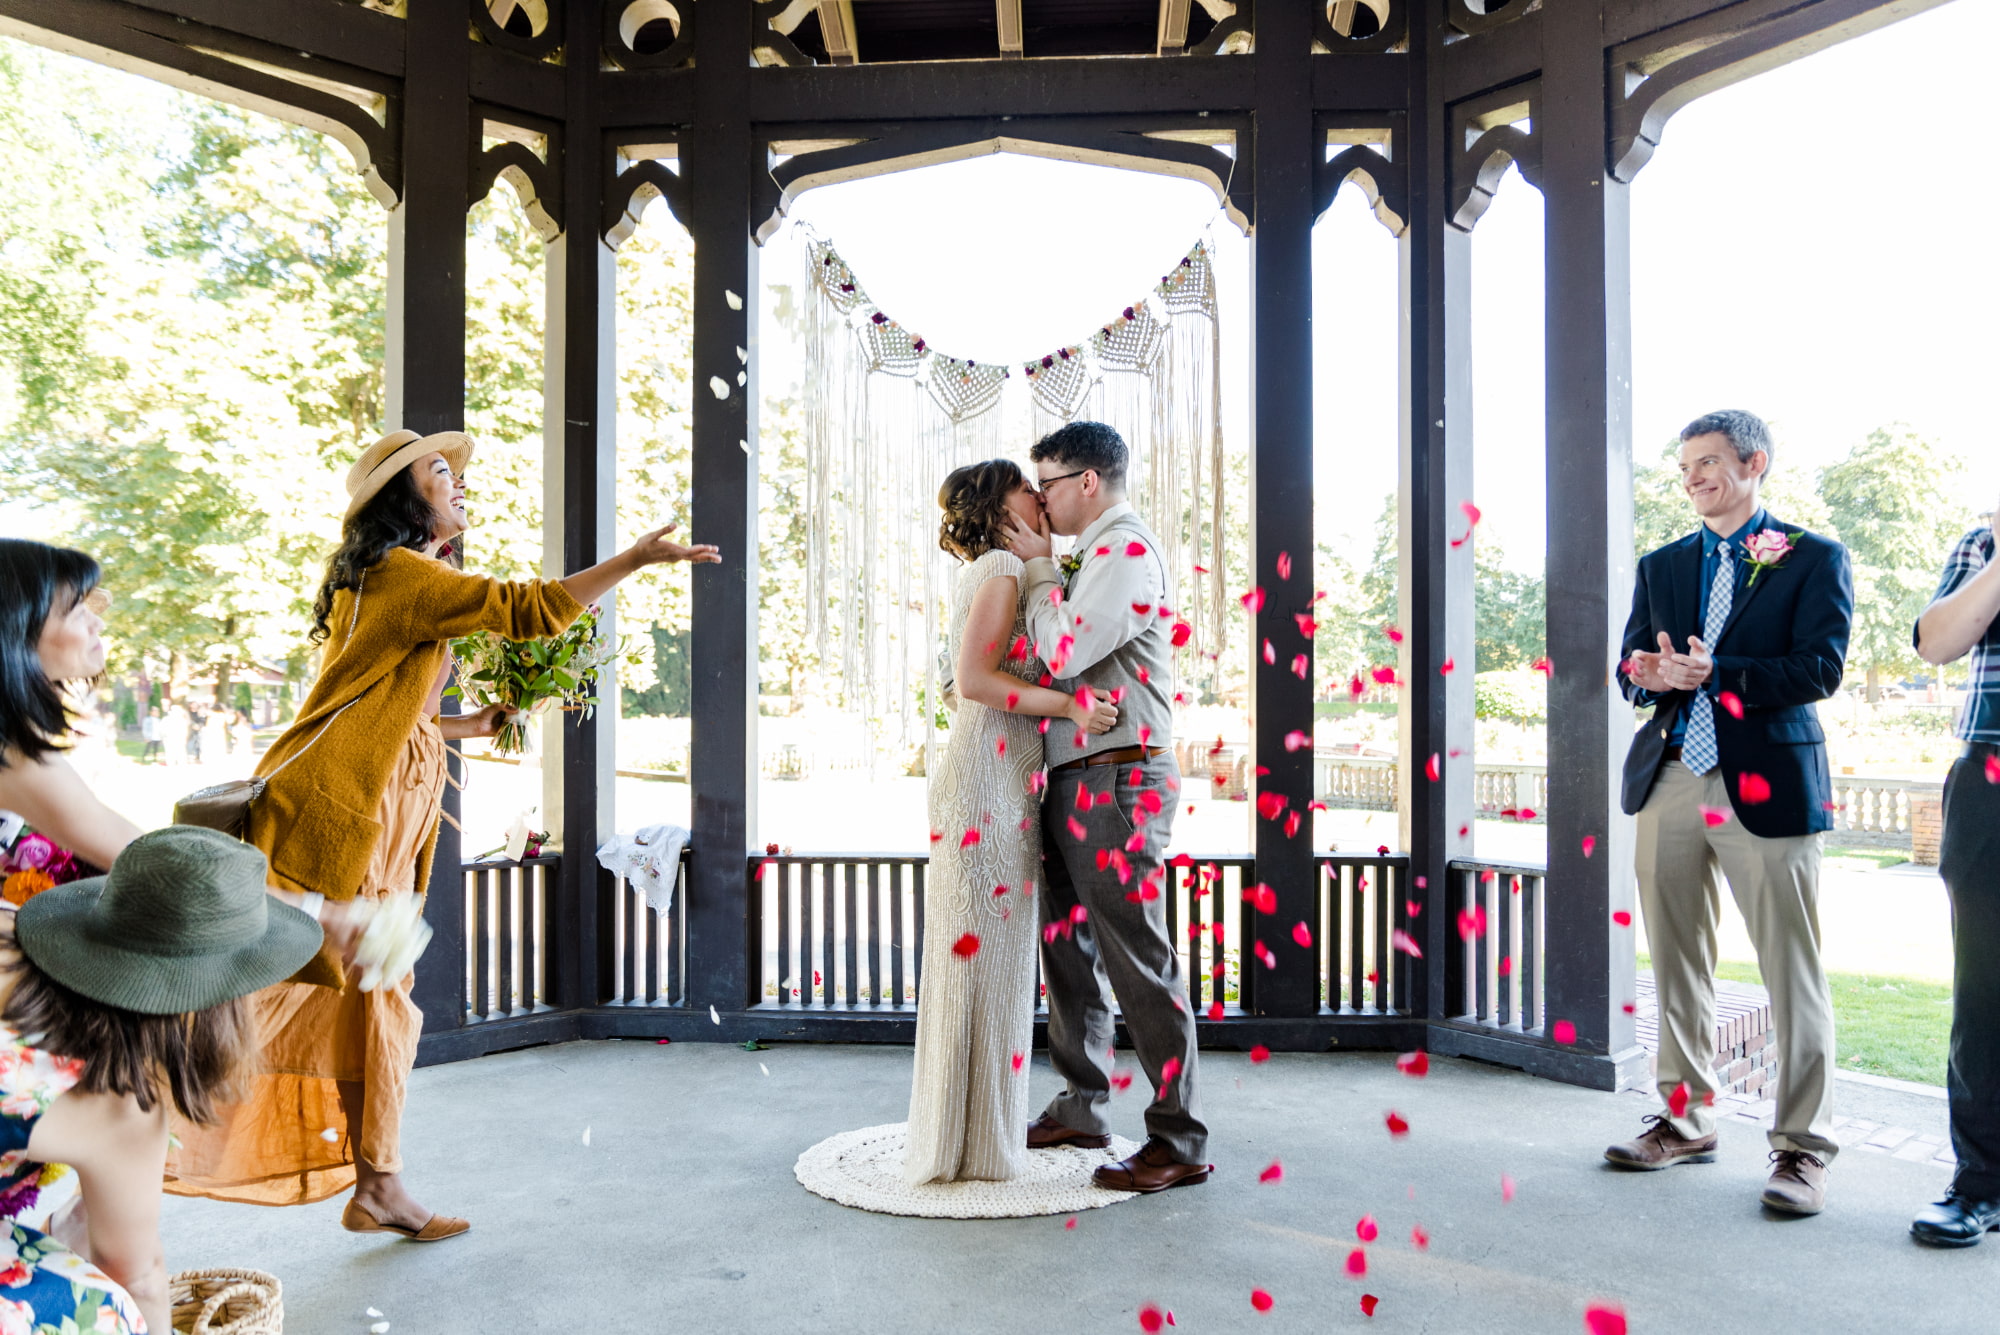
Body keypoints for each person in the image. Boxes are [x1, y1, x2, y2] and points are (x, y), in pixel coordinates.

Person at [165, 428, 719, 1241]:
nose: (458, 481)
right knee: (291, 985)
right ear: (404, 497)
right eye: (439, 471)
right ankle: (128, 1112)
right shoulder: (403, 572)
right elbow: (529, 610)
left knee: (371, 991)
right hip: (349, 810)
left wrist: (468, 722)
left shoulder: (386, 578)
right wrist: (633, 560)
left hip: (375, 804)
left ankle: (377, 1182)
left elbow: (391, 710)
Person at [1608, 409, 1853, 1216]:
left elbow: (1820, 666)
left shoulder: (1813, 556)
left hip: (1770, 782)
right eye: (1685, 468)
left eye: (1709, 463)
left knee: (1792, 966)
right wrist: (1648, 674)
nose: (1693, 479)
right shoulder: (1663, 562)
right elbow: (1632, 665)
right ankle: (1683, 1118)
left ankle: (1802, 1148)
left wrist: (1722, 671)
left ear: (1755, 463)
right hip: (1674, 773)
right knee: (1674, 957)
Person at [0, 823, 324, 1335]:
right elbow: (140, 1276)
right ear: (221, 1003)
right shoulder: (116, 1105)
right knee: (110, 1312)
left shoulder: (7, 929)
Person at [1003, 420, 1208, 1194]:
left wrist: (1037, 573)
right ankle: (1083, 1103)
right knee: (1068, 949)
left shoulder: (1123, 550)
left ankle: (1179, 1137)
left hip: (1118, 775)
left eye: (1047, 483)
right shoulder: (1095, 554)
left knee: (1135, 953)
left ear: (1087, 480)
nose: (1041, 501)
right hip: (1077, 772)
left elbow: (1063, 652)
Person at [901, 460, 1117, 1186]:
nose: (1039, 492)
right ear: (999, 504)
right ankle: (972, 1141)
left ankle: (969, 1132)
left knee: (990, 962)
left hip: (1002, 778)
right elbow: (975, 681)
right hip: (986, 783)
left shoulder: (1007, 567)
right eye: (1026, 484)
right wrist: (1069, 706)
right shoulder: (998, 565)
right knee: (984, 963)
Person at [1910, 497, 2000, 1246]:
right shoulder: (1983, 541)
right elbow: (1935, 641)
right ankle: (1981, 1182)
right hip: (1990, 782)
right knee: (1986, 993)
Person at [0, 540, 144, 877]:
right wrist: (292, 904)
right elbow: (150, 860)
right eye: (79, 612)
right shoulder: (13, 754)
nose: (99, 624)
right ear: (18, 632)